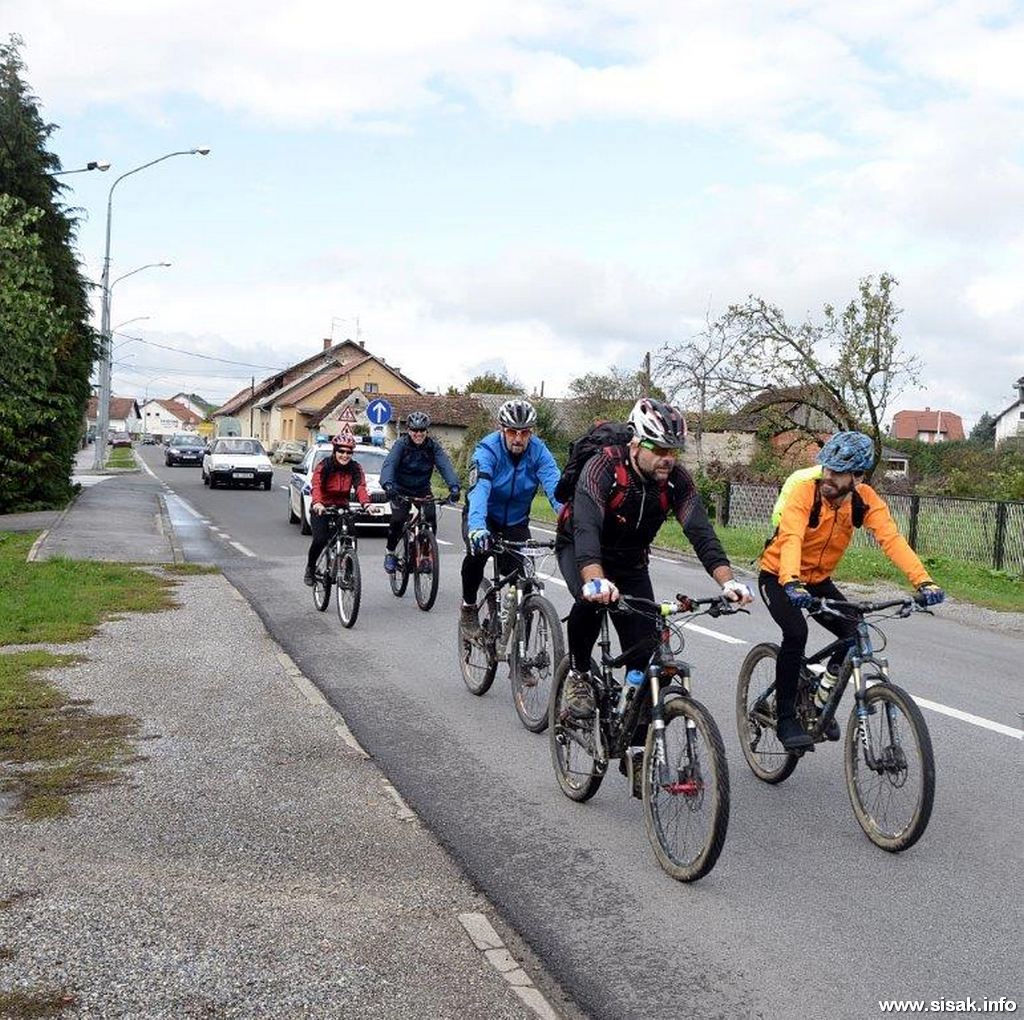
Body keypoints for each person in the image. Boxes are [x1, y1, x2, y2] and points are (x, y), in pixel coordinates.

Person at [556, 397, 752, 720]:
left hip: (631, 560)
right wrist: (595, 580)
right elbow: (586, 526)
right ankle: (578, 674)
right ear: (635, 444)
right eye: (659, 449)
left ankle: (636, 747)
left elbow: (700, 531)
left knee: (647, 659)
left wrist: (728, 581)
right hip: (581, 548)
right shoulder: (604, 467)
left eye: (673, 451)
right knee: (591, 603)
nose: (667, 459)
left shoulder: (676, 480)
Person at [759, 430, 945, 750]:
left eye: (838, 472)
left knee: (854, 631)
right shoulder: (806, 492)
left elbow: (892, 540)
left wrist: (923, 581)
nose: (828, 476)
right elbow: (791, 537)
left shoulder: (865, 501)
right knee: (796, 633)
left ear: (857, 477)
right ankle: (787, 716)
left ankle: (820, 700)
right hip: (778, 576)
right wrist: (791, 581)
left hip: (818, 580)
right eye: (826, 468)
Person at [460, 398, 562, 636]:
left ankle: (522, 663)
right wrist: (476, 527)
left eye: (524, 433)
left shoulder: (539, 452)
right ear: (502, 430)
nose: (518, 438)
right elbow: (480, 489)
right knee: (477, 554)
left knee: (526, 584)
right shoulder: (487, 450)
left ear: (531, 433)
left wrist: (571, 522)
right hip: (484, 517)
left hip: (516, 522)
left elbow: (555, 489)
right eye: (512, 432)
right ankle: (468, 606)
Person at [379, 411, 461, 573]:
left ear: (426, 431)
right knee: (398, 519)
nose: (418, 434)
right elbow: (389, 464)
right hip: (400, 488)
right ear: (409, 431)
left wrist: (454, 486)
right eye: (415, 431)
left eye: (422, 431)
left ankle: (425, 554)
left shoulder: (432, 447)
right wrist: (388, 485)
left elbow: (445, 466)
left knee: (430, 517)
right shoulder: (401, 445)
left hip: (422, 488)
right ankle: (390, 552)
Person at [303, 433, 370, 586]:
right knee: (320, 539)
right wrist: (318, 503)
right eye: (341, 451)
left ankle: (348, 570)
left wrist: (366, 504)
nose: (345, 455)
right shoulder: (324, 466)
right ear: (335, 451)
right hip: (322, 507)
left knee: (351, 536)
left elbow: (360, 487)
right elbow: (317, 485)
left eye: (348, 452)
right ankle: (311, 568)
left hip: (341, 507)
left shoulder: (355, 468)